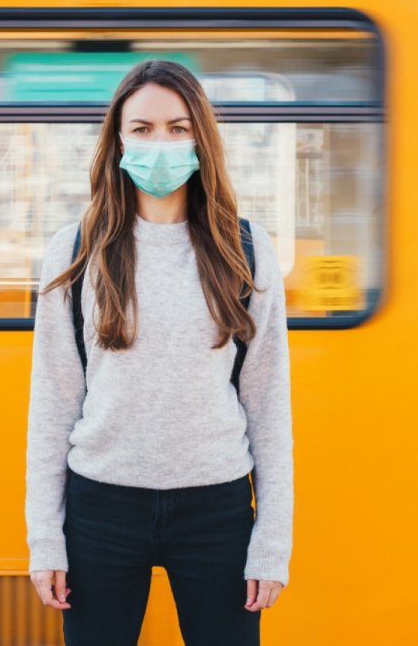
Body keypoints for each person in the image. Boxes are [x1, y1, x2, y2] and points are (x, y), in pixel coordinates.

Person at [24, 59, 294, 646]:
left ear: (202, 137)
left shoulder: (245, 250)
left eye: (178, 128)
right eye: (142, 129)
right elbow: (53, 402)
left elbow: (268, 403)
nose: (161, 144)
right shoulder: (74, 251)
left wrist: (272, 541)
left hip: (217, 510)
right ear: (118, 141)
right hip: (99, 510)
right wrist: (45, 537)